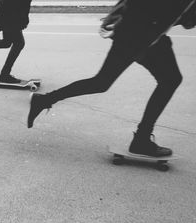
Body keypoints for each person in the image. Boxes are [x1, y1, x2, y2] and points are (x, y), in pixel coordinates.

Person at [27, 0, 196, 157]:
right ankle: (141, 140)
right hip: (141, 34)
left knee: (101, 82)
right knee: (170, 80)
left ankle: (44, 100)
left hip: (136, 32)